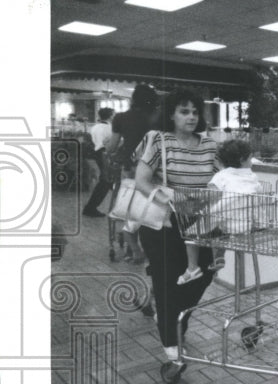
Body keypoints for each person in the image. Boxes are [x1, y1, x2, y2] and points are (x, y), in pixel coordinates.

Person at [135, 89, 219, 369]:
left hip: (199, 225)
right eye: (184, 111)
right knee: (167, 281)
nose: (191, 117)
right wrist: (171, 201)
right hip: (165, 224)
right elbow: (142, 182)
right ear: (171, 114)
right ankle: (172, 347)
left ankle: (173, 315)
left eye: (195, 111)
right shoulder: (158, 140)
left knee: (204, 272)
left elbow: (219, 181)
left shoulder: (209, 145)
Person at [178, 139, 263, 285]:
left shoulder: (222, 175)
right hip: (246, 224)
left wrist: (193, 196)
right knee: (220, 231)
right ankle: (219, 256)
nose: (252, 161)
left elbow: (213, 195)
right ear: (243, 160)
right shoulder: (251, 176)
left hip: (225, 220)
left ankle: (192, 268)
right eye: (250, 157)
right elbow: (259, 193)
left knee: (191, 234)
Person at [103, 85, 161, 263]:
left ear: (133, 99)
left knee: (130, 207)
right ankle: (150, 248)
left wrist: (108, 145)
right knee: (152, 208)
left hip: (130, 168)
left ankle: (133, 249)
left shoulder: (121, 118)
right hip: (155, 170)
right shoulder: (157, 117)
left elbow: (112, 147)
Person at [81, 107, 115, 217]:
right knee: (106, 182)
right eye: (113, 114)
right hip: (104, 154)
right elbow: (106, 144)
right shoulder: (108, 128)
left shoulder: (95, 127)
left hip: (97, 153)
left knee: (107, 182)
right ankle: (90, 208)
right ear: (110, 116)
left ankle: (91, 207)